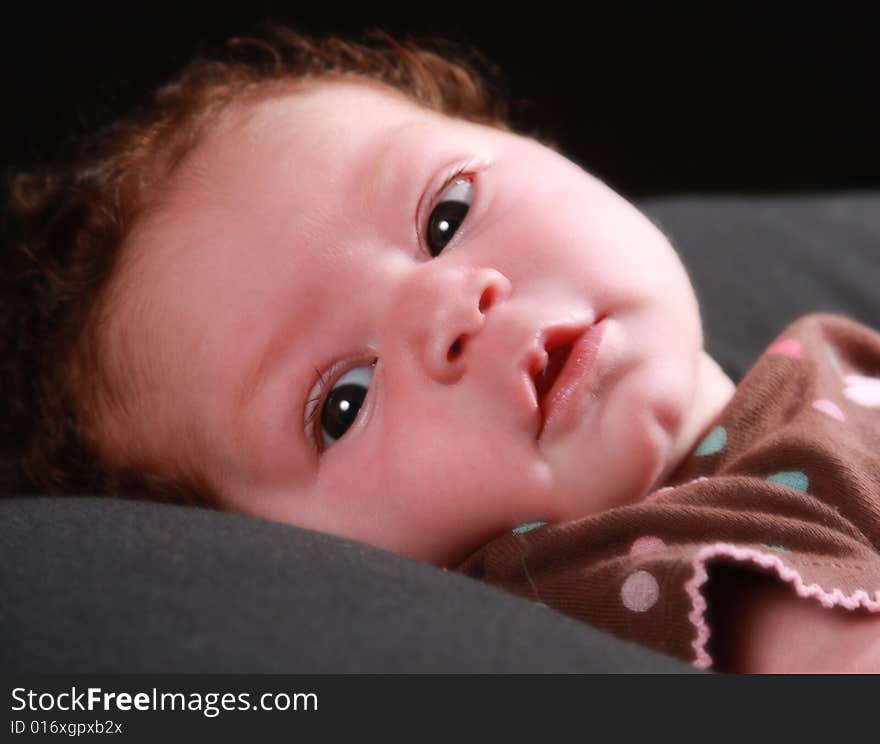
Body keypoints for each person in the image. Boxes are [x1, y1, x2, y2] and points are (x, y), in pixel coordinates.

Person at [2, 27, 878, 673]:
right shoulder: (651, 573)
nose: (452, 308)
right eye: (342, 402)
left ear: (538, 148)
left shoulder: (812, 361)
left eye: (446, 216)